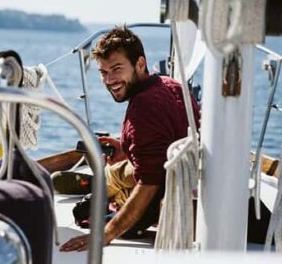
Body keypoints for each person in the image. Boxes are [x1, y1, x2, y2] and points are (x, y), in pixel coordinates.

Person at [59, 26, 200, 252]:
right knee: (117, 169)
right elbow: (167, 139)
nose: (110, 79)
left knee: (87, 210)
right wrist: (125, 145)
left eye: (116, 69)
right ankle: (106, 184)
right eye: (103, 72)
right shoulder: (171, 85)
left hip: (162, 195)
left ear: (140, 64)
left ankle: (104, 191)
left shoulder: (143, 108)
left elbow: (150, 183)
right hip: (181, 174)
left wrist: (106, 234)